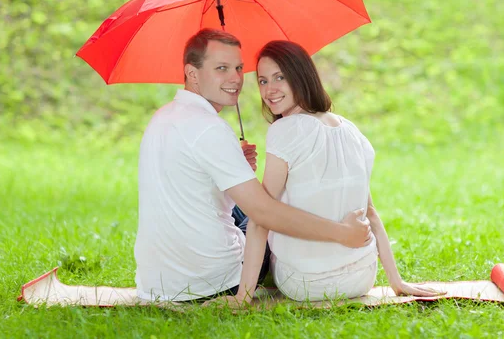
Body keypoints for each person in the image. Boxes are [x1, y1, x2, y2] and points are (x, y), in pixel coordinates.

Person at [133, 29, 373, 302]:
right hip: (215, 280)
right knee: (276, 206)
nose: (235, 79)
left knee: (247, 201)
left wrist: (236, 164)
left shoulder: (163, 117)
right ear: (192, 73)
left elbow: (191, 187)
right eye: (221, 68)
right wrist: (344, 233)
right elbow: (263, 213)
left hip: (157, 281)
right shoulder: (210, 129)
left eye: (238, 68)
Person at [221, 40, 442, 304]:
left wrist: (242, 297)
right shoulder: (351, 130)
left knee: (250, 211)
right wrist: (396, 281)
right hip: (361, 277)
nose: (270, 90)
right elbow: (370, 211)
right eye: (263, 81)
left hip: (305, 283)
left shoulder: (285, 130)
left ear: (300, 77)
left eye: (280, 77)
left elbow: (261, 220)